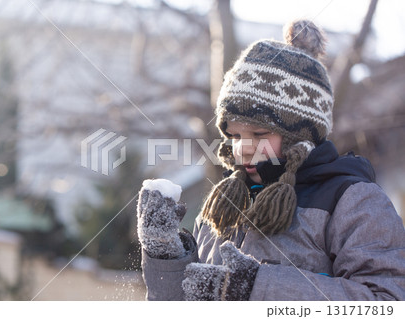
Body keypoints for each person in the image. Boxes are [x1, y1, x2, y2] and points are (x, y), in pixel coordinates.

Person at [136, 19, 405, 301]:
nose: (244, 149)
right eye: (235, 136)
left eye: (259, 133)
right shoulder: (223, 203)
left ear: (301, 134)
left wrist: (254, 287)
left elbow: (388, 300)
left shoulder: (352, 201)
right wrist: (165, 254)